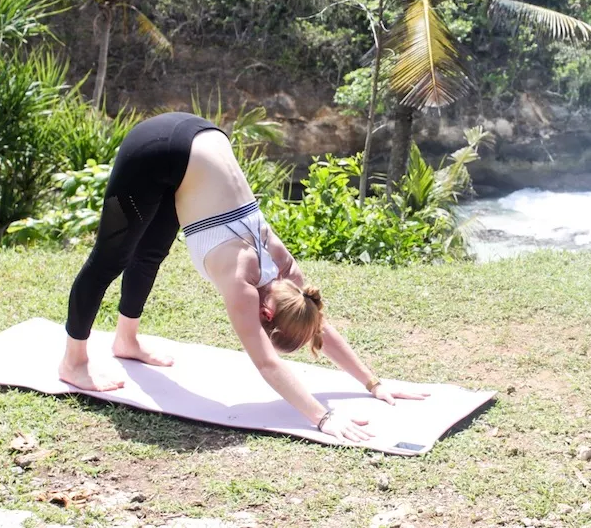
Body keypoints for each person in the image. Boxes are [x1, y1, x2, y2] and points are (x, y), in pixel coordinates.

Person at [59, 111, 426, 443]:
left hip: (200, 139)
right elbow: (267, 362)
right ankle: (73, 363)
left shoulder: (289, 276)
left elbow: (316, 323)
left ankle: (127, 341)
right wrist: (322, 416)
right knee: (110, 259)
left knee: (150, 253)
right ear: (266, 315)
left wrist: (372, 382)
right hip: (157, 149)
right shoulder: (243, 283)